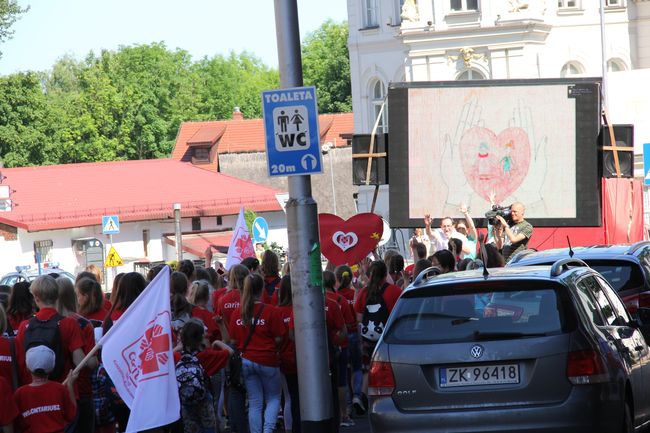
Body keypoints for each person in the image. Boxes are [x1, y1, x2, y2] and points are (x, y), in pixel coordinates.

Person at [229, 274, 286, 433]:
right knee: (273, 398)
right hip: (268, 361)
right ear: (261, 289)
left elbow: (233, 340)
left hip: (247, 361)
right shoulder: (271, 311)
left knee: (255, 402)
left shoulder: (237, 314)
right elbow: (280, 337)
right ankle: (268, 430)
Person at [15, 275, 86, 384]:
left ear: (36, 298)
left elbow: (21, 362)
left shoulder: (24, 326)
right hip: (63, 387)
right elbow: (79, 361)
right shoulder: (69, 324)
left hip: (33, 389)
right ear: (57, 296)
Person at [56, 277, 98, 433]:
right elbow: (91, 363)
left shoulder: (46, 324)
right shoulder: (83, 324)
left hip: (55, 388)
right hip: (81, 389)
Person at [175, 319, 232, 433]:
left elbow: (164, 359)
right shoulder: (207, 355)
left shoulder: (177, 357)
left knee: (190, 428)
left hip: (185, 401)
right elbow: (230, 352)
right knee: (208, 428)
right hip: (203, 399)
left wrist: (178, 347)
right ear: (201, 338)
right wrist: (217, 342)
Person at [14, 345, 78, 433]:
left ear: (28, 368)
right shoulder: (59, 389)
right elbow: (72, 415)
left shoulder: (20, 393)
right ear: (52, 368)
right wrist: (70, 385)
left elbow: (17, 424)